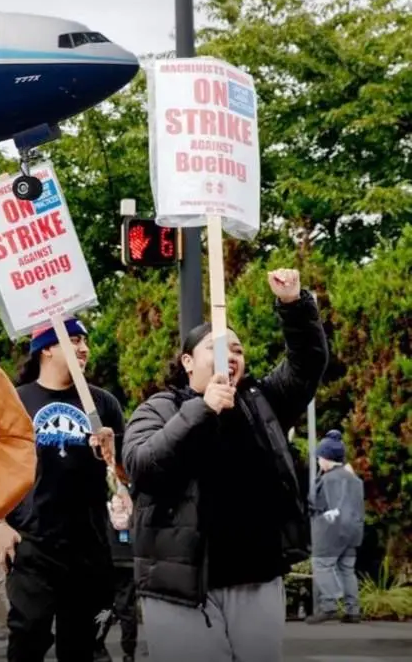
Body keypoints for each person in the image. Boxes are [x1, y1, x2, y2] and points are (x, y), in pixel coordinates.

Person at [123, 269, 328, 662]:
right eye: (217, 349)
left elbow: (307, 364)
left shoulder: (262, 402)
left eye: (236, 350)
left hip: (257, 577)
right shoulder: (159, 409)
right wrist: (202, 409)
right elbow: (142, 464)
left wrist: (294, 305)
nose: (230, 357)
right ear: (187, 361)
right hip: (182, 586)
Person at [0, 318, 125, 662]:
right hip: (32, 542)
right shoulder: (15, 401)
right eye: (74, 340)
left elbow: (124, 475)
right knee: (27, 639)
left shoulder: (103, 404)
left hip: (88, 544)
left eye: (85, 341)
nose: (84, 348)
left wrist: (114, 455)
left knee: (81, 646)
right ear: (47, 348)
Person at [306, 430, 365, 625]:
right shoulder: (354, 479)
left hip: (331, 531)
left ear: (326, 458)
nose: (318, 461)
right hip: (352, 532)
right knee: (347, 569)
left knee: (321, 564)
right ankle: (352, 610)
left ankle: (329, 605)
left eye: (319, 457)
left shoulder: (330, 479)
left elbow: (320, 504)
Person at [96, 477, 137, 662]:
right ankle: (129, 651)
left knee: (104, 605)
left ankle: (98, 645)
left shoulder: (102, 489)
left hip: (109, 555)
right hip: (129, 556)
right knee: (127, 607)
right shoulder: (133, 490)